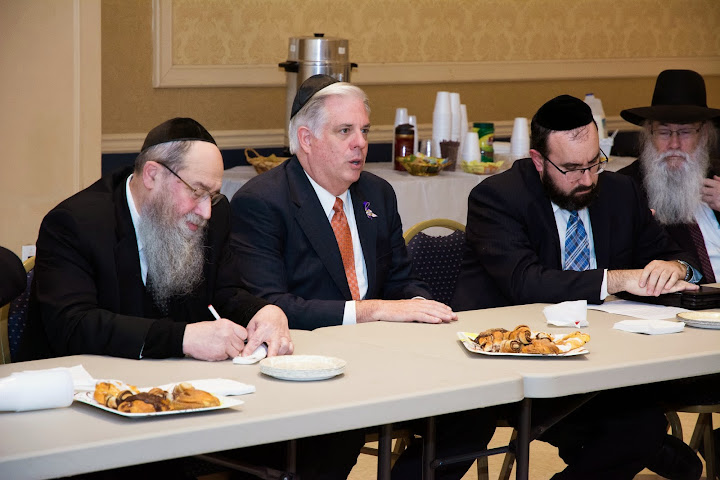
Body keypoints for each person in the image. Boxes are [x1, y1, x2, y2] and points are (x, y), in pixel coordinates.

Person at [228, 75, 492, 479]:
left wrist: (419, 305)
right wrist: (374, 310)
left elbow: (402, 279)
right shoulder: (263, 201)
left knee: (474, 407)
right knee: (340, 428)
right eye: (345, 131)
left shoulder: (377, 193)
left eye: (365, 131)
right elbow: (271, 305)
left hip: (384, 358)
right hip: (309, 369)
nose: (360, 143)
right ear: (306, 139)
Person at [452, 95, 702, 480]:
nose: (586, 179)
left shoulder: (620, 192)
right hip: (520, 361)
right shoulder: (499, 197)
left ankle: (642, 445)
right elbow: (526, 281)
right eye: (571, 168)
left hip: (604, 358)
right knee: (633, 431)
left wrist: (675, 267)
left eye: (593, 163)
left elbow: (677, 254)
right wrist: (615, 278)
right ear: (539, 161)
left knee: (641, 423)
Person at [19, 118, 293, 362]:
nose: (206, 211)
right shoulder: (74, 224)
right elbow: (74, 325)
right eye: (197, 191)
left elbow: (226, 293)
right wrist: (183, 339)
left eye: (212, 195)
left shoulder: (213, 215)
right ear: (152, 175)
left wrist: (262, 312)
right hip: (82, 385)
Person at [618, 69, 720, 475]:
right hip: (674, 340)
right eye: (664, 132)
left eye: (686, 132)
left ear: (705, 136)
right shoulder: (624, 191)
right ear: (648, 135)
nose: (674, 144)